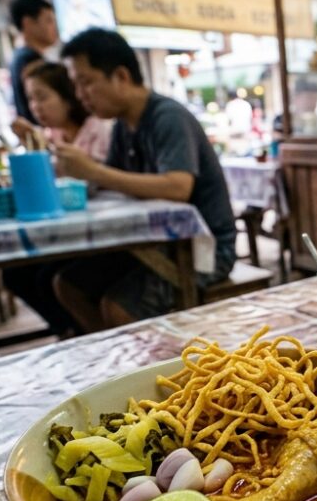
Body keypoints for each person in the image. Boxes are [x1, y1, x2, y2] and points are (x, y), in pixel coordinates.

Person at [50, 28, 237, 331]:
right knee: (69, 285)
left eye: (86, 82)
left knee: (118, 307)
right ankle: (118, 356)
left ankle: (150, 358)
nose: (80, 95)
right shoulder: (123, 127)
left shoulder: (168, 117)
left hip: (205, 250)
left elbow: (178, 187)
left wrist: (93, 171)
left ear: (121, 76)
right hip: (156, 244)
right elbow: (110, 182)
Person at [3, 62, 113, 335]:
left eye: (42, 97)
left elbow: (100, 181)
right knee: (15, 273)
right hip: (71, 234)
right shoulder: (51, 135)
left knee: (51, 278)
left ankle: (78, 333)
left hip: (105, 235)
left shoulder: (98, 129)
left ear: (67, 96)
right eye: (31, 99)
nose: (36, 107)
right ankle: (71, 332)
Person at [8, 0, 60, 125]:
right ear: (28, 23)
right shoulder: (29, 60)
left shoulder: (19, 57)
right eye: (49, 21)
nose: (55, 27)